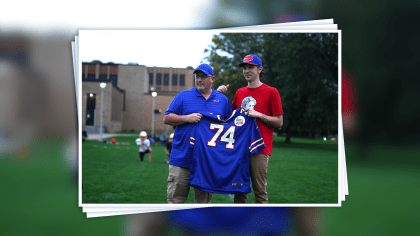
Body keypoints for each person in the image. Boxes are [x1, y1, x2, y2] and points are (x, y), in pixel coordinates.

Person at [217, 54, 283, 204]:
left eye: (250, 67)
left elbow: (279, 122)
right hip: (240, 148)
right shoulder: (240, 92)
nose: (246, 70)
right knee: (239, 191)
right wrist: (219, 96)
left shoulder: (271, 92)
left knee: (260, 192)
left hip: (260, 148)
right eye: (244, 68)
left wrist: (258, 114)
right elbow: (227, 117)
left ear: (259, 69)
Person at [163, 63, 232, 204]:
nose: (199, 80)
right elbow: (167, 118)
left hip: (207, 162)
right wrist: (187, 118)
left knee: (203, 204)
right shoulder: (183, 96)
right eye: (197, 76)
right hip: (181, 159)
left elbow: (230, 126)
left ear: (212, 79)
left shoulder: (222, 101)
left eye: (203, 77)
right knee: (175, 202)